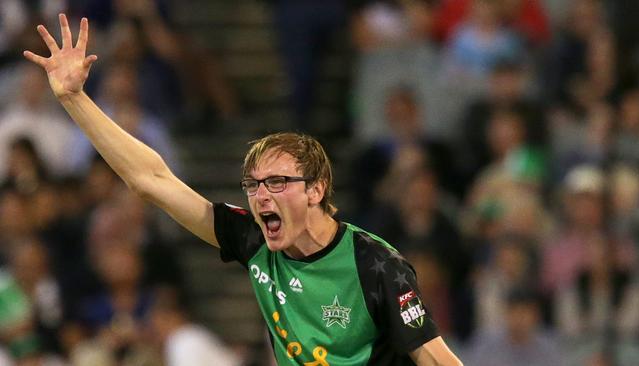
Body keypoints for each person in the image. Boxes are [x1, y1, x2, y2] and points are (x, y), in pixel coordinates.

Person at [23, 14, 463, 365]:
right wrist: (74, 100)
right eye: (253, 185)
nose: (260, 196)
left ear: (317, 189)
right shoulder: (254, 239)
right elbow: (152, 181)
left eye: (277, 182)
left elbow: (436, 358)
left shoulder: (378, 266)